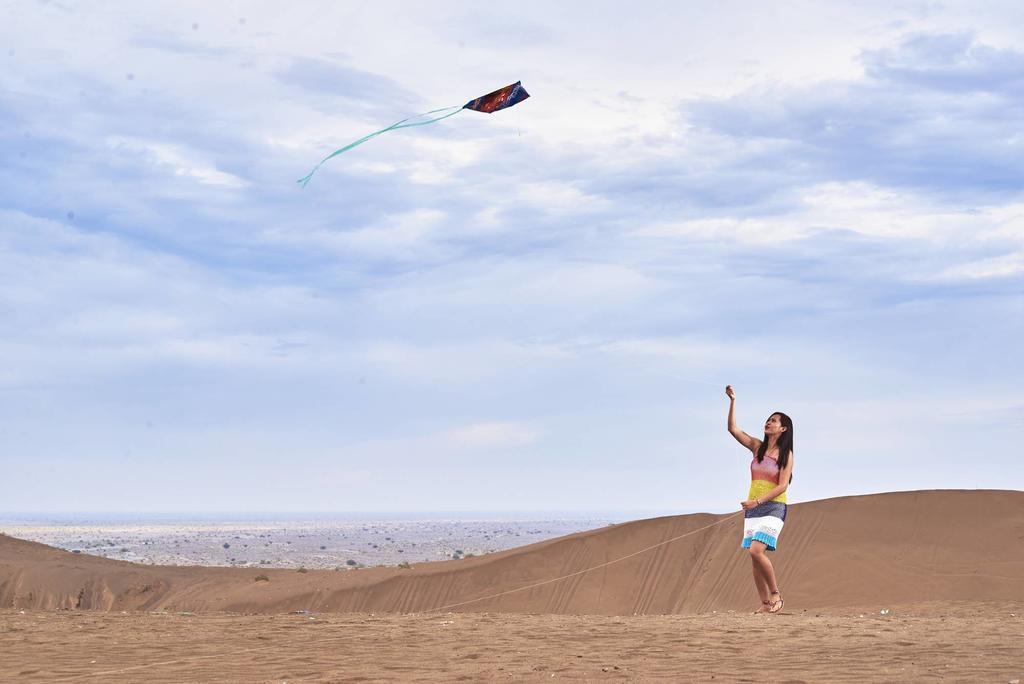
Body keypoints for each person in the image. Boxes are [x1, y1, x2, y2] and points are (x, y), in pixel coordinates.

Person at [725, 385, 794, 614]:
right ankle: (765, 604)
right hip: (753, 509)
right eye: (768, 420)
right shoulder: (757, 448)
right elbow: (733, 429)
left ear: (783, 429)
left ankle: (776, 595)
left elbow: (782, 485)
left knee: (756, 550)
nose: (768, 423)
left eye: (774, 421)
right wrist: (733, 401)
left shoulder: (786, 455)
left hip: (774, 507)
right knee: (754, 557)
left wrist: (758, 501)